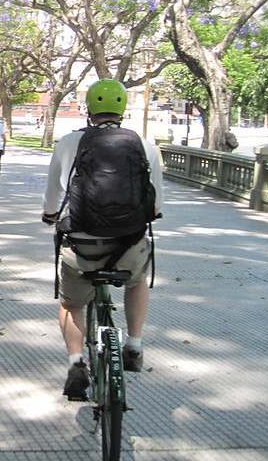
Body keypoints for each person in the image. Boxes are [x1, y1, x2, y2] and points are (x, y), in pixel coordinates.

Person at [41, 79, 164, 400]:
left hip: (82, 245)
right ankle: (134, 346)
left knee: (71, 304)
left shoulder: (69, 143)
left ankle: (76, 363)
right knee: (137, 281)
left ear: (89, 109)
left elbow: (54, 191)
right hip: (128, 242)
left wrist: (50, 215)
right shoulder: (144, 145)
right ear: (123, 108)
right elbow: (156, 204)